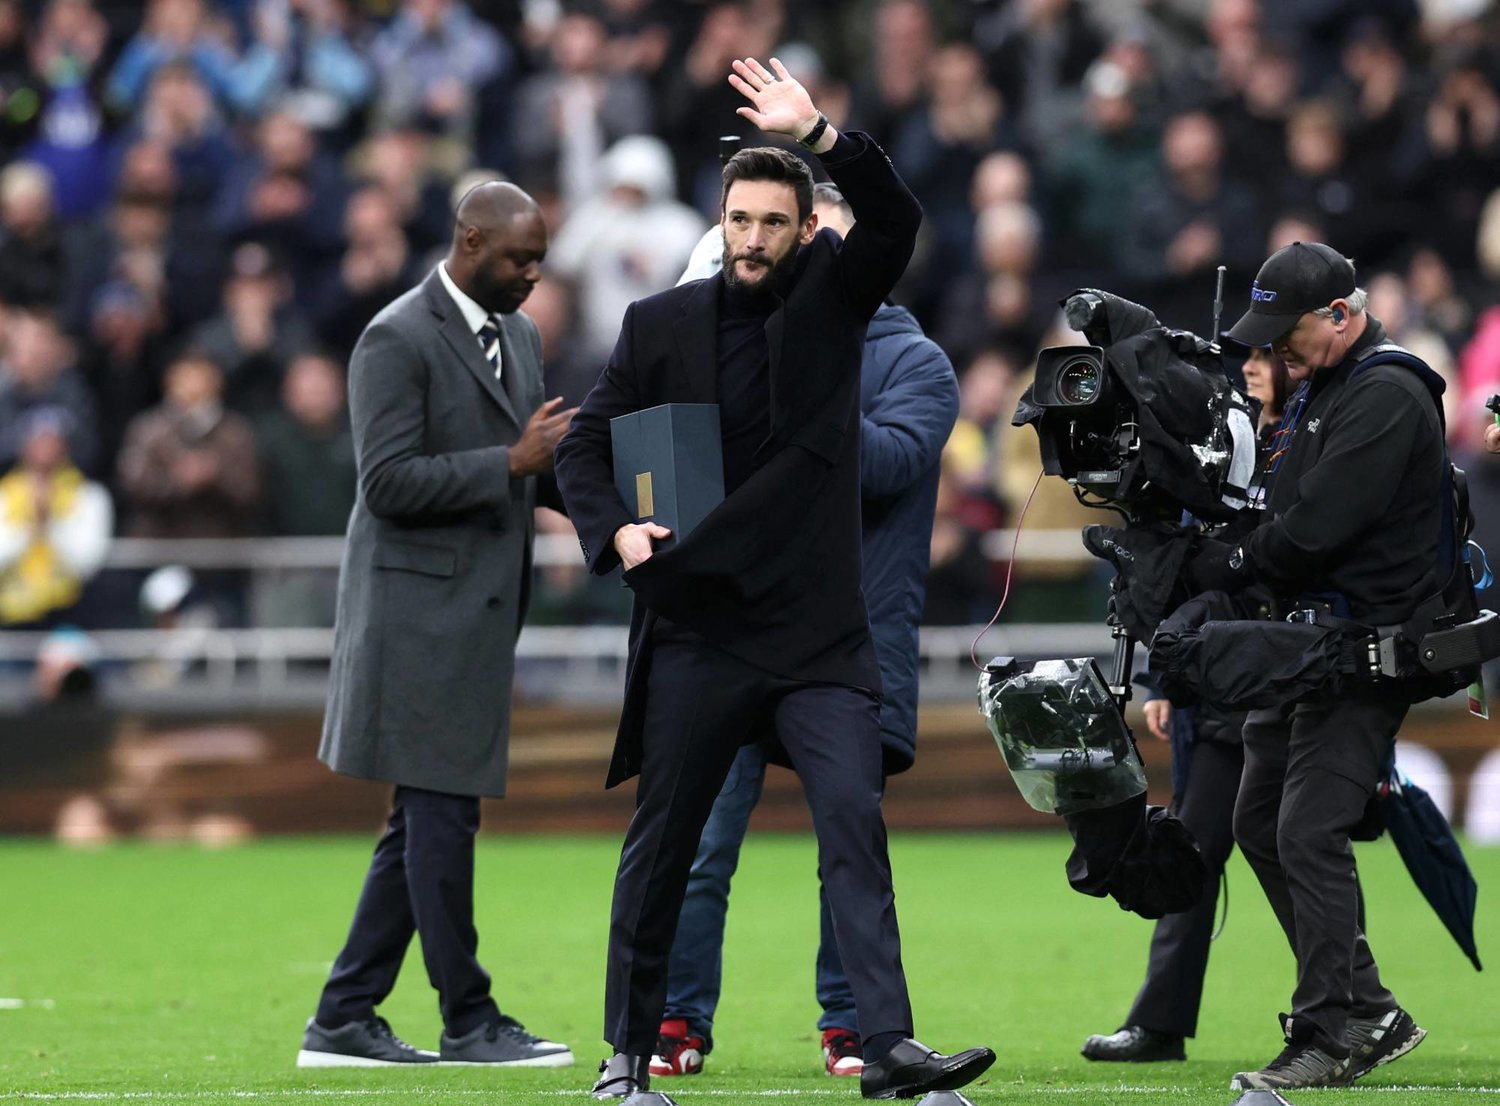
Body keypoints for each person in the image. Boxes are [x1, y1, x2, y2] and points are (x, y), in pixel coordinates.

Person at [553, 57, 994, 1102]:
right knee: (666, 846)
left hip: (817, 635)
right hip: (701, 628)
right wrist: (615, 532)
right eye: (740, 219)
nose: (753, 238)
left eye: (773, 222)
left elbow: (896, 220)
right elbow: (583, 444)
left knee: (854, 832)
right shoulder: (658, 324)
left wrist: (822, 136)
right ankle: (628, 1055)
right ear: (721, 221)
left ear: (805, 233)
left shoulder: (837, 305)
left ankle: (887, 1047)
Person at [648, 183, 959, 1080]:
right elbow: (661, 465)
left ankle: (852, 1025)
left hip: (848, 639)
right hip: (734, 626)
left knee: (847, 842)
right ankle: (676, 1018)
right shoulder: (737, 340)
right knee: (700, 841)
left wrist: (795, 387)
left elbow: (893, 463)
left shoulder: (917, 362)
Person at [297, 180, 578, 1069]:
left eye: (540, 261)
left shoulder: (520, 335)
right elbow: (386, 483)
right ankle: (470, 1018)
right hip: (413, 618)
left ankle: (344, 1016)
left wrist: (617, 509)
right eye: (519, 259)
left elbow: (533, 472)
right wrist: (511, 462)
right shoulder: (395, 336)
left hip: (474, 619)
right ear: (470, 242)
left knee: (420, 822)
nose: (533, 276)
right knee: (442, 818)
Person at [1192, 241, 1437, 1090]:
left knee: (1304, 828)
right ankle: (1368, 1007)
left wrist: (1226, 563)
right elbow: (1283, 512)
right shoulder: (1330, 385)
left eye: (1284, 333)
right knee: (1260, 821)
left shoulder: (1387, 393)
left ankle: (1331, 1030)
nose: (1272, 350)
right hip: (1309, 648)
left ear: (1339, 314)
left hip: (1366, 651)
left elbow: (1314, 529)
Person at [1082, 347, 1290, 1064]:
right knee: (1209, 849)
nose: (1254, 365)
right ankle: (1163, 1020)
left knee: (1287, 847)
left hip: (1282, 677)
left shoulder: (1301, 440)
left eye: (1270, 354)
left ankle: (1350, 1004)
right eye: (1251, 355)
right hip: (1223, 690)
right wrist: (1168, 681)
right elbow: (1186, 569)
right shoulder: (1224, 443)